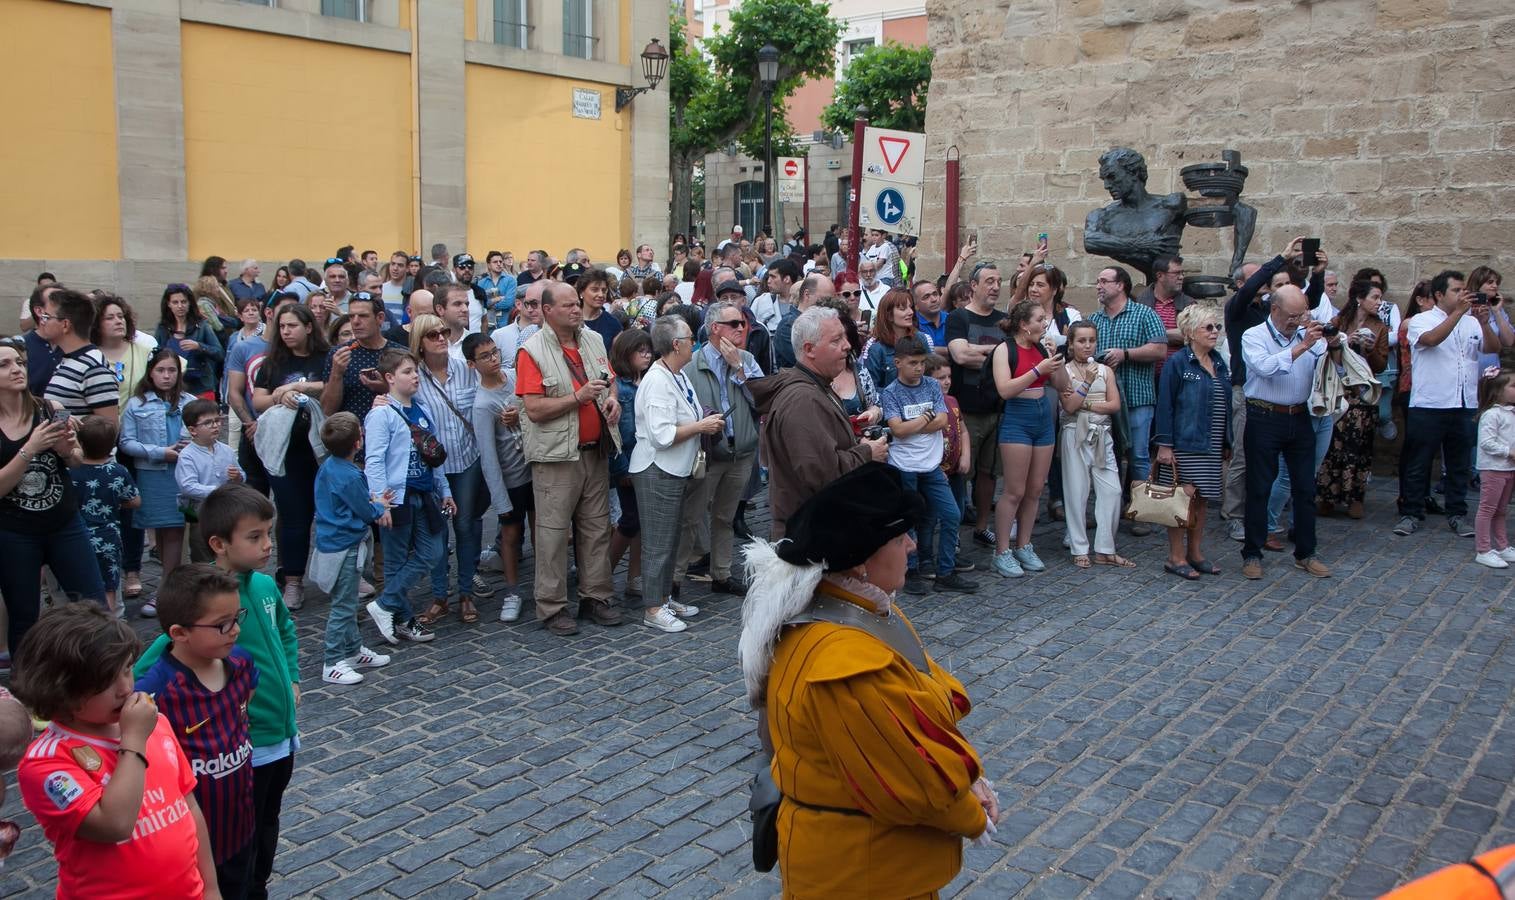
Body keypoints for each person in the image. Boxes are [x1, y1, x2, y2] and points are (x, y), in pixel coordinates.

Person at [739, 463, 997, 898]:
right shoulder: (845, 661)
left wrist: (969, 778)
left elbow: (920, 705)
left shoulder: (860, 609)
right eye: (900, 538)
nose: (913, 546)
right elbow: (911, 781)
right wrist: (971, 811)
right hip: (862, 874)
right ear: (860, 562)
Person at [136, 484, 299, 900]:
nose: (267, 546)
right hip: (246, 746)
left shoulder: (263, 587)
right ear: (218, 544)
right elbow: (160, 655)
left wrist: (293, 678)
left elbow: (285, 630)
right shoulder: (204, 600)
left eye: (269, 534)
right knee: (241, 833)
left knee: (267, 826)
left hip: (282, 737)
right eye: (255, 537)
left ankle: (256, 885)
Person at [13, 604, 219, 899]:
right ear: (61, 689)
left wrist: (210, 888)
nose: (125, 688)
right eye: (107, 681)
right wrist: (133, 739)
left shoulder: (155, 724)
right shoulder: (46, 763)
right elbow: (115, 825)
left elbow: (189, 808)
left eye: (127, 669)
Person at [133, 564, 258, 896]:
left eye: (237, 616)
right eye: (221, 624)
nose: (234, 631)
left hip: (242, 824)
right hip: (192, 842)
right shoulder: (156, 692)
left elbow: (244, 707)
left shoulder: (242, 663)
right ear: (179, 633)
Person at [515, 282, 625, 636]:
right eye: (567, 306)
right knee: (552, 534)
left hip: (595, 451)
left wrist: (612, 399)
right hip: (556, 457)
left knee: (596, 529)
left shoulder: (592, 339)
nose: (576, 310)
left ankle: (596, 597)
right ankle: (552, 606)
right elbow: (533, 409)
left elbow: (609, 380)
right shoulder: (531, 351)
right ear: (547, 311)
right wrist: (577, 398)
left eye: (577, 304)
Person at [752, 307, 888, 538]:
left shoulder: (818, 386)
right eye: (836, 340)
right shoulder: (804, 400)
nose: (847, 345)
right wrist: (867, 452)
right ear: (809, 350)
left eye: (845, 337)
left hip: (820, 525)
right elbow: (820, 474)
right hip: (811, 535)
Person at [630, 316, 723, 633]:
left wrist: (703, 419)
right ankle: (653, 608)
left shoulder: (677, 374)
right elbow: (661, 435)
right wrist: (702, 426)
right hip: (657, 469)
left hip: (674, 468)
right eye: (689, 338)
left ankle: (664, 597)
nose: (693, 344)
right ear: (675, 345)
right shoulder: (657, 380)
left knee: (670, 538)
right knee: (658, 542)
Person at [1239, 286, 1336, 579]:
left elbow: (1329, 365)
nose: (1298, 320)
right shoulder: (1253, 336)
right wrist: (1303, 345)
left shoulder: (1308, 336)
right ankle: (1252, 553)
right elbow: (1267, 368)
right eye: (1293, 315)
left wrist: (1335, 343)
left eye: (1302, 314)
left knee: (1305, 488)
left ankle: (1306, 552)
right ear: (1275, 310)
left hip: (1300, 416)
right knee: (1260, 487)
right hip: (1264, 415)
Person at [1395, 270, 1500, 539]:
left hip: (1464, 403)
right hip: (1430, 403)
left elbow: (1492, 348)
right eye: (1456, 290)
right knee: (1419, 463)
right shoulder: (1420, 320)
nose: (1462, 294)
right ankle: (1411, 512)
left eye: (1463, 289)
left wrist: (1485, 323)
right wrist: (1457, 314)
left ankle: (1457, 513)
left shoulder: (1472, 322)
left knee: (1459, 464)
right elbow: (1431, 340)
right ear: (1439, 295)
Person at [363, 349, 454, 645]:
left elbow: (433, 455)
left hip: (424, 493)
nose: (414, 376)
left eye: (415, 371)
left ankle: (385, 604)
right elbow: (374, 460)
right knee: (395, 560)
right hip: (396, 497)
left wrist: (445, 491)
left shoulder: (423, 409)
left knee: (432, 553)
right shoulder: (381, 414)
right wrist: (379, 501)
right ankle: (401, 618)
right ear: (389, 378)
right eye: (406, 372)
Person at [676, 299, 763, 596]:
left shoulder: (747, 360)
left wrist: (740, 370)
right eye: (734, 324)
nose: (742, 328)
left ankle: (722, 574)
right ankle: (674, 580)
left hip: (742, 452)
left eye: (743, 323)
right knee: (692, 516)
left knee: (725, 516)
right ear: (715, 329)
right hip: (710, 453)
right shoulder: (691, 364)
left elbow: (762, 400)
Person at [880, 335, 978, 594]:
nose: (919, 368)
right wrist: (925, 418)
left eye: (922, 362)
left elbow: (942, 422)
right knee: (909, 521)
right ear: (898, 362)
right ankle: (910, 571)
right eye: (913, 363)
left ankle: (945, 572)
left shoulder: (932, 386)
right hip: (904, 466)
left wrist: (912, 425)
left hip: (931, 465)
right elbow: (897, 431)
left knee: (951, 515)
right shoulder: (890, 393)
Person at [408, 313, 489, 626]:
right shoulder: (414, 376)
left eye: (442, 332)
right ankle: (440, 594)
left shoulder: (466, 369)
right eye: (432, 335)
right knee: (438, 532)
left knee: (467, 526)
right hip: (435, 468)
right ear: (419, 342)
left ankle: (466, 591)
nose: (441, 337)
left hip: (467, 460)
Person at [251, 303, 330, 608]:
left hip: (321, 450)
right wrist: (277, 395)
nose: (286, 332)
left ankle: (340, 575)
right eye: (282, 327)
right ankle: (293, 581)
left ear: (309, 327)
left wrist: (300, 386)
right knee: (294, 518)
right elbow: (258, 400)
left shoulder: (324, 358)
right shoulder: (272, 363)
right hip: (285, 453)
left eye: (292, 326)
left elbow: (333, 386)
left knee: (329, 515)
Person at [310, 412, 394, 684]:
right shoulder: (350, 475)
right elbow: (365, 510)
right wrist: (380, 504)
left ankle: (354, 649)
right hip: (345, 547)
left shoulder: (328, 467)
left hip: (331, 543)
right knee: (344, 605)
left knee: (345, 600)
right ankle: (333, 661)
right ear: (358, 442)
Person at [989, 299, 1069, 577]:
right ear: (1023, 325)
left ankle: (1024, 544)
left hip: (1042, 416)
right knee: (1015, 490)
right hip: (1017, 417)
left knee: (1036, 489)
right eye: (1039, 320)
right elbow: (1005, 389)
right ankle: (1001, 551)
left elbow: (1063, 386)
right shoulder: (1004, 349)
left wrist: (1054, 361)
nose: (1044, 324)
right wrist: (1038, 371)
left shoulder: (1040, 348)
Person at [1154, 304, 1233, 579]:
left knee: (1201, 501)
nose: (1214, 332)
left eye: (1217, 327)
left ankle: (1195, 553)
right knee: (1181, 500)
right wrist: (1164, 444)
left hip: (1211, 442)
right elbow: (1165, 405)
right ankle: (1175, 556)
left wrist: (1226, 441)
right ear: (1190, 332)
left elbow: (1225, 403)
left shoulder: (1219, 362)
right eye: (1208, 327)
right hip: (1186, 443)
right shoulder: (1178, 363)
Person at [1090, 265, 1167, 525]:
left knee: (1138, 457)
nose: (1098, 285)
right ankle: (1107, 511)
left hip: (1137, 398)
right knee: (1105, 456)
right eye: (1098, 281)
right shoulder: (1095, 320)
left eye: (1103, 280)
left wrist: (1125, 354)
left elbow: (1159, 350)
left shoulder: (1145, 314)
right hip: (1103, 403)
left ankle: (1139, 512)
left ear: (1121, 285)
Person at [121, 349, 195, 616]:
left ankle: (167, 589)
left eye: (172, 371)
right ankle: (172, 583)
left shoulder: (189, 401)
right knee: (161, 531)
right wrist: (159, 452)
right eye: (161, 370)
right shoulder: (136, 404)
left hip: (182, 475)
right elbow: (127, 442)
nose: (166, 376)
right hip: (152, 474)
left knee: (176, 529)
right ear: (150, 373)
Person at [466, 333, 532, 622]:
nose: (493, 359)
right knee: (511, 533)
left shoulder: (516, 376)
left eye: (494, 353)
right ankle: (513, 590)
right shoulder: (482, 405)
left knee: (544, 529)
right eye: (485, 356)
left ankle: (547, 582)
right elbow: (489, 457)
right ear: (472, 364)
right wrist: (500, 498)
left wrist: (521, 413)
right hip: (512, 478)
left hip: (536, 467)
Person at [1315, 279, 1391, 518]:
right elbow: (1324, 347)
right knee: (1331, 445)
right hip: (1338, 389)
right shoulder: (1339, 321)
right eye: (1375, 297)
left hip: (1362, 394)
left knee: (1358, 447)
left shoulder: (1380, 327)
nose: (1379, 302)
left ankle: (1355, 497)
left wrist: (1368, 349)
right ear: (1360, 298)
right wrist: (1348, 340)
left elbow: (1381, 365)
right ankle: (1326, 495)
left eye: (1380, 298)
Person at [946, 262, 1008, 546]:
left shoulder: (1004, 320)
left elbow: (1014, 360)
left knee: (988, 473)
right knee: (960, 474)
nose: (996, 287)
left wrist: (980, 353)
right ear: (973, 286)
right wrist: (997, 357)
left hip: (996, 408)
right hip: (965, 409)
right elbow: (959, 356)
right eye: (989, 281)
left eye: (998, 281)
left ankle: (982, 527)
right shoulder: (959, 318)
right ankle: (953, 536)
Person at [1058, 322, 1124, 569]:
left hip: (1102, 433)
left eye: (1092, 340)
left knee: (1112, 490)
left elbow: (1114, 405)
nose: (1087, 345)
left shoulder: (1106, 371)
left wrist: (1086, 404)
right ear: (1072, 344)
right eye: (1082, 341)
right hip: (1075, 432)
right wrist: (1085, 386)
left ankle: (1105, 547)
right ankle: (1079, 547)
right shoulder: (1064, 371)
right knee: (1076, 490)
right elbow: (1069, 406)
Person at [70, 416, 141, 617]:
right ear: (112, 446)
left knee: (80, 583)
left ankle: (81, 621)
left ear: (80, 443)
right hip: (108, 536)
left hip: (79, 536)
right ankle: (109, 622)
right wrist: (116, 501)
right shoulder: (118, 471)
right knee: (109, 584)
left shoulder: (72, 471)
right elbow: (135, 501)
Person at [608, 329, 652, 606]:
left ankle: (634, 577)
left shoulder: (648, 381)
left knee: (640, 521)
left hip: (646, 461)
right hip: (627, 463)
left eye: (648, 350)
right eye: (640, 351)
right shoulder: (620, 388)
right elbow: (616, 435)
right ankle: (602, 576)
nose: (647, 355)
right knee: (630, 520)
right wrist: (621, 469)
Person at [176, 398, 243, 563]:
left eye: (217, 421)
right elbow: (187, 487)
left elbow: (241, 473)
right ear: (193, 430)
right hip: (200, 515)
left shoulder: (226, 450)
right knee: (203, 553)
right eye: (208, 423)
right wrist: (217, 490)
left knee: (228, 551)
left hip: (225, 512)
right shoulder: (187, 456)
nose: (215, 425)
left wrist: (238, 476)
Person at [38, 288, 120, 421]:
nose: (42, 322)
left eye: (47, 317)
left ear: (65, 325)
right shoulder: (69, 360)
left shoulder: (94, 368)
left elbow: (109, 429)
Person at [320, 294, 405, 419]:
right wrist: (336, 374)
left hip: (393, 430)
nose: (355, 321)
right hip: (352, 433)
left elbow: (414, 400)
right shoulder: (339, 354)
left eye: (363, 316)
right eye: (351, 316)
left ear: (380, 318)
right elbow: (327, 409)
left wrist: (386, 388)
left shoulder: (400, 353)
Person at [156, 283, 224, 400]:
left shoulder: (202, 325)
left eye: (184, 302)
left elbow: (220, 353)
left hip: (200, 387)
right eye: (175, 302)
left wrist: (199, 346)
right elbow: (155, 355)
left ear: (189, 303)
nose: (180, 306)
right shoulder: (163, 328)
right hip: (173, 388)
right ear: (168, 304)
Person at [863, 288, 933, 390]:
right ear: (889, 315)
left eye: (910, 307)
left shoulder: (921, 339)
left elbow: (931, 374)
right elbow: (872, 389)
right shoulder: (877, 350)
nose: (910, 312)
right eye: (903, 309)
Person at [578, 268, 623, 350]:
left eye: (604, 290)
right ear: (581, 292)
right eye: (595, 290)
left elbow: (617, 358)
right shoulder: (570, 319)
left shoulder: (613, 324)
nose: (601, 294)